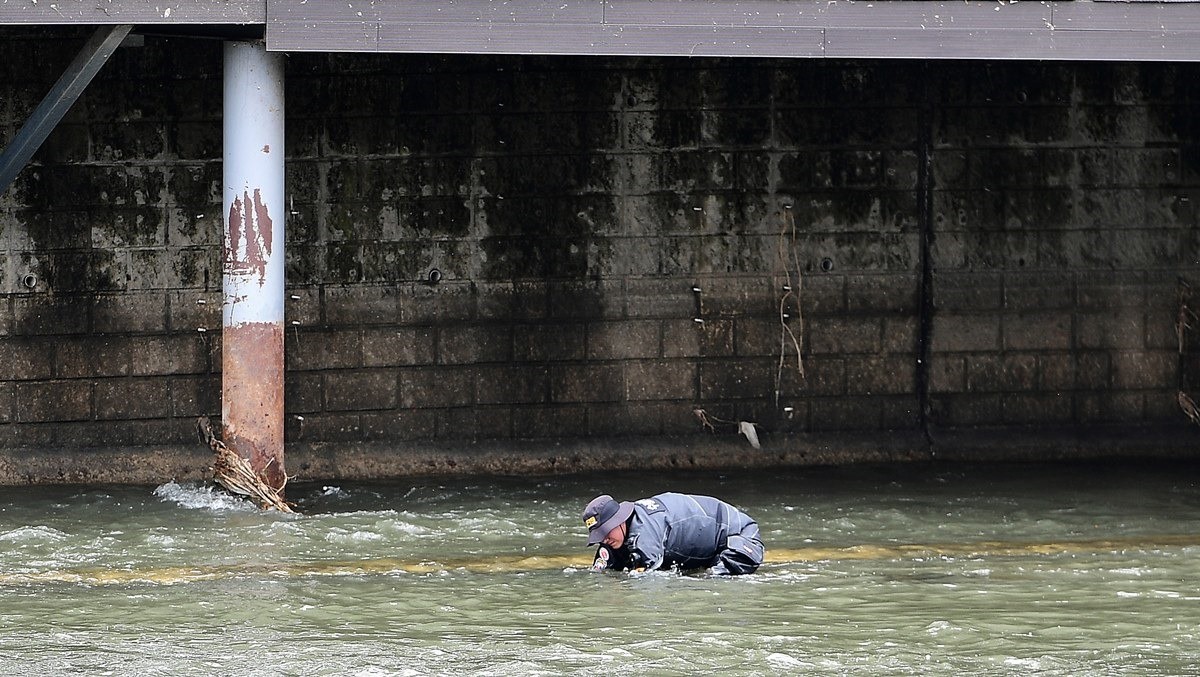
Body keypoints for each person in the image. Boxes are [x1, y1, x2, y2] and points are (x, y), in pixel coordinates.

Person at [582, 492, 764, 576]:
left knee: (710, 578)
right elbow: (600, 572)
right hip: (703, 547)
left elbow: (646, 586)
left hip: (740, 537)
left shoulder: (645, 534)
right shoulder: (614, 538)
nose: (604, 539)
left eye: (606, 532)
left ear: (620, 521)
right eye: (600, 536)